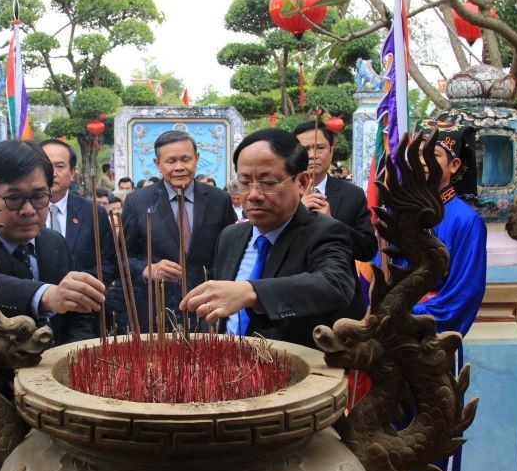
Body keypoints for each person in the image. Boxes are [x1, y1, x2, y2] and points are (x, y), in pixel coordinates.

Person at [377, 120, 487, 471]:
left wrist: (404, 316)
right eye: (416, 157)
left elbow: (462, 296)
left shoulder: (464, 220)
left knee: (432, 442)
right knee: (393, 429)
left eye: (432, 157)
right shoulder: (403, 216)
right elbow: (381, 276)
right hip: (393, 346)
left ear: (455, 164)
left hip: (433, 348)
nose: (420, 165)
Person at [180, 128, 354, 347]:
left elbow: (334, 284)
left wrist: (252, 291)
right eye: (244, 183)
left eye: (268, 183)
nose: (253, 195)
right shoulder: (231, 235)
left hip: (290, 370)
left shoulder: (324, 232)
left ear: (301, 182)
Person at [0, 140, 103, 348]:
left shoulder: (54, 242)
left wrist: (66, 360)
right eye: (14, 198)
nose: (29, 210)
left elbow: (77, 318)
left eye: (39, 197)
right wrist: (46, 295)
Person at [122, 130, 236, 330]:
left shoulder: (219, 200)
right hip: (158, 310)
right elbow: (122, 257)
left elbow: (231, 251)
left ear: (197, 158)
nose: (179, 167)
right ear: (157, 163)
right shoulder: (137, 202)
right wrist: (148, 269)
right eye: (171, 161)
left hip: (208, 308)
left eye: (186, 159)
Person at [294, 120, 377, 320]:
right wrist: (297, 212)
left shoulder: (352, 195)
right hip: (294, 304)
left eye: (319, 147)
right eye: (305, 149)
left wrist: (331, 222)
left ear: (331, 151)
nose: (313, 155)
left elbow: (367, 249)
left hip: (341, 308)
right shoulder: (281, 194)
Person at [40, 139, 116, 284]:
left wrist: (79, 283)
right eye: (46, 166)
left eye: (60, 166)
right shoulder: (23, 211)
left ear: (73, 173)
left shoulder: (93, 213)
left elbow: (110, 263)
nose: (52, 173)